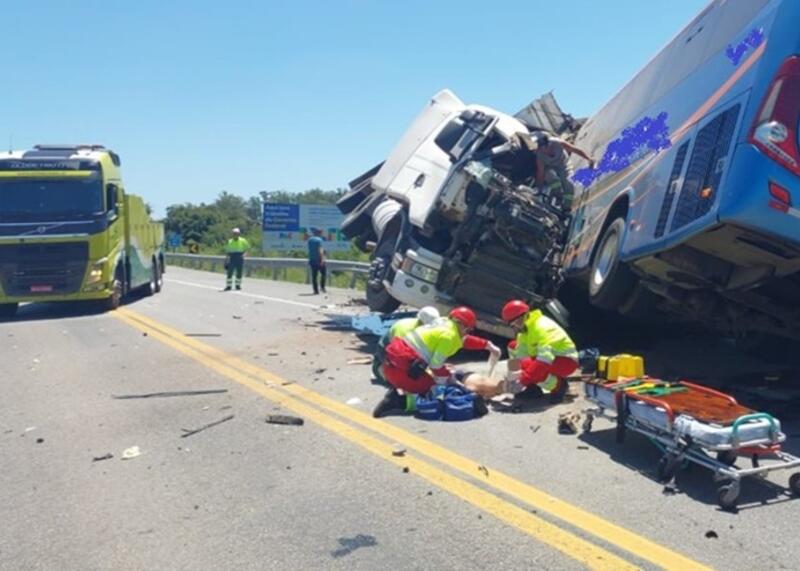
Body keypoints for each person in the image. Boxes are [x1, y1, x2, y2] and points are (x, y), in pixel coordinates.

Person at [373, 306, 502, 417]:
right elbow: (436, 365)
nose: (467, 333)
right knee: (434, 395)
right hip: (403, 371)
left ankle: (404, 390)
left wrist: (487, 345)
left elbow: (463, 341)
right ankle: (398, 401)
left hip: (393, 365)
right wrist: (449, 381)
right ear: (461, 325)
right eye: (468, 330)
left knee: (437, 383)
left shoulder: (443, 323)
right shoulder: (449, 336)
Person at [500, 299, 579, 403]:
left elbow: (544, 361)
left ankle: (559, 386)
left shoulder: (543, 327)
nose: (514, 327)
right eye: (512, 325)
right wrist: (513, 377)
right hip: (550, 359)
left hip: (566, 361)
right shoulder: (525, 330)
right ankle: (533, 389)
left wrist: (523, 381)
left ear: (522, 317)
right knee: (513, 347)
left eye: (514, 324)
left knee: (530, 365)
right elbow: (520, 355)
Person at [372, 306, 441, 384]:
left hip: (404, 351)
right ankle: (379, 369)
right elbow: (397, 353)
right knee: (401, 381)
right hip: (387, 350)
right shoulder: (404, 329)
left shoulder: (426, 330)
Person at [531, 131, 594, 212]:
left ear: (548, 144)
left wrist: (588, 159)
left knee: (569, 183)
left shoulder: (558, 143)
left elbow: (574, 149)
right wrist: (538, 187)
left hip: (563, 165)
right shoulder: (539, 155)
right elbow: (541, 172)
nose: (544, 151)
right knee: (550, 176)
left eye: (544, 148)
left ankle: (566, 207)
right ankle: (558, 195)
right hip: (551, 168)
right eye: (540, 149)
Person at [307, 228, 327, 295]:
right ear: (319, 233)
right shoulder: (319, 240)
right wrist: (322, 259)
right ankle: (322, 287)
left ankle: (315, 290)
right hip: (318, 260)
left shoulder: (310, 240)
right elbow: (320, 250)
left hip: (312, 260)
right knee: (323, 274)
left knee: (314, 276)